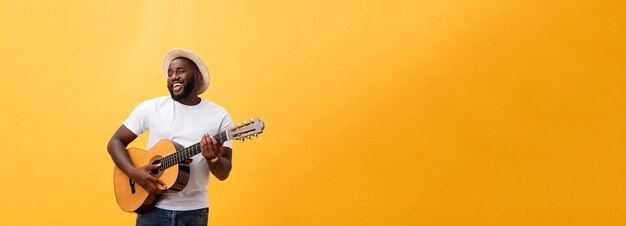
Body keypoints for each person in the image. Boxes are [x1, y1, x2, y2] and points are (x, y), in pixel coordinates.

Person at [107, 48, 233, 226]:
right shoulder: (151, 108)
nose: (174, 76)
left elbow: (224, 172)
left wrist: (212, 158)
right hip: (152, 209)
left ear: (197, 75)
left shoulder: (219, 116)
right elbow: (114, 142)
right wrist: (133, 173)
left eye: (181, 71)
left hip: (194, 212)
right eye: (170, 73)